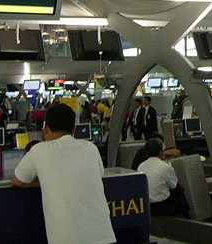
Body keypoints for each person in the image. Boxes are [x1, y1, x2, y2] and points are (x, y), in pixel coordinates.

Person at [11, 104, 116, 244]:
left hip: (68, 238)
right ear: (73, 129)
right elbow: (97, 174)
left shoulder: (39, 151)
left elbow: (17, 180)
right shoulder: (91, 149)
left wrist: (42, 180)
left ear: (45, 128)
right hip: (104, 236)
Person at [137, 137, 189, 216]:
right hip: (162, 206)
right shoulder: (165, 166)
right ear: (161, 152)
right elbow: (174, 186)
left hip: (147, 206)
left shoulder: (141, 166)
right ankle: (186, 216)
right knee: (179, 192)